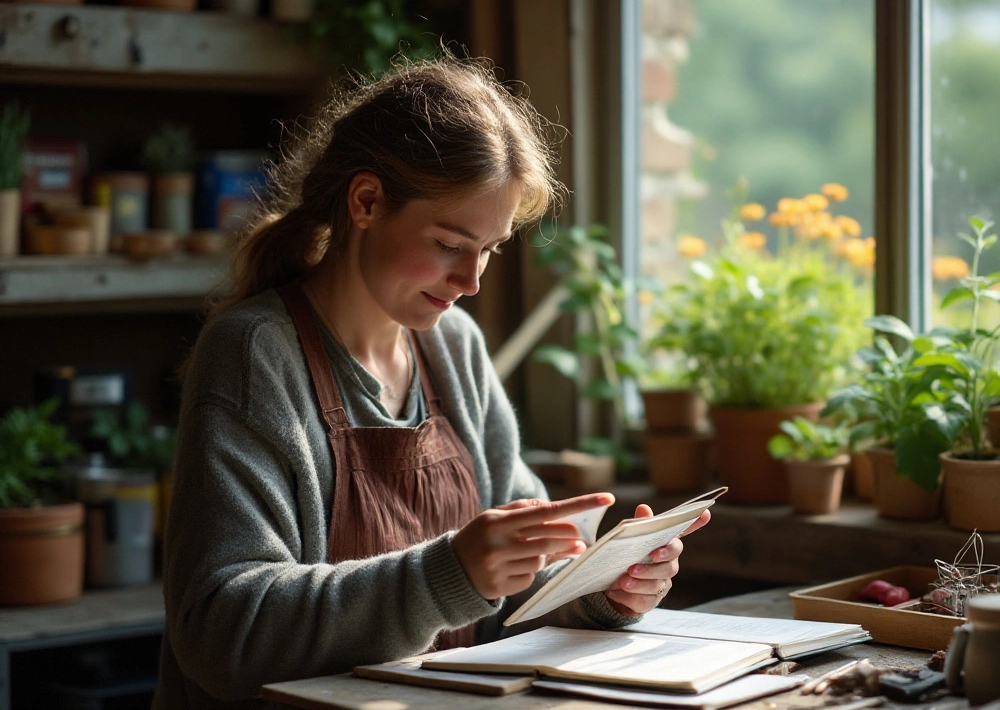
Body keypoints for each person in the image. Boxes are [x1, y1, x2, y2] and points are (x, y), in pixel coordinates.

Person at [155, 55, 710, 709]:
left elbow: (514, 591)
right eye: (450, 243)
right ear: (365, 202)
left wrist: (600, 590)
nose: (471, 281)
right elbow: (223, 635)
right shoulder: (255, 354)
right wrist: (447, 574)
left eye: (491, 248)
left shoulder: (454, 349)